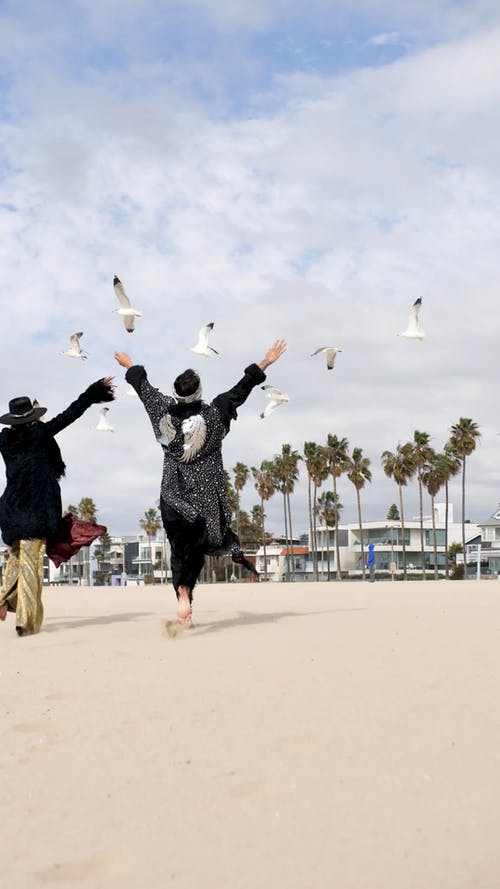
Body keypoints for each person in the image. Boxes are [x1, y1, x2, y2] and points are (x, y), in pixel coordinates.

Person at [114, 340, 286, 626]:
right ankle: (186, 596)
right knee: (197, 550)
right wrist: (265, 361)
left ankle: (183, 596)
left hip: (172, 497)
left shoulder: (162, 411)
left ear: (176, 393)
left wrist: (130, 365)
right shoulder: (214, 413)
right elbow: (240, 390)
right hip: (205, 502)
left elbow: (143, 388)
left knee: (180, 552)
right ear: (199, 392)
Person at [0, 377, 115, 636]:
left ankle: (4, 600)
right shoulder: (40, 434)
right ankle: (26, 623)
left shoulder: (5, 441)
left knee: (17, 559)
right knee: (31, 568)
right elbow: (70, 414)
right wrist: (93, 392)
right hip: (35, 511)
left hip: (10, 509)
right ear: (32, 417)